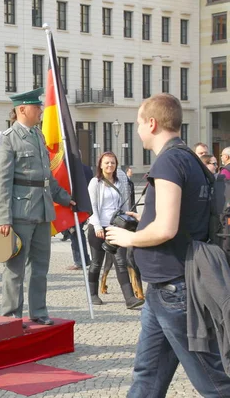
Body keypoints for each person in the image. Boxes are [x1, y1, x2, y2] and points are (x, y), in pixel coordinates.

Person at [106, 93, 230, 397]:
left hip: (174, 288)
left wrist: (130, 237)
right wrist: (142, 218)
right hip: (165, 288)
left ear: (152, 123)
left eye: (138, 123)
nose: (137, 130)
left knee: (214, 384)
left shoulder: (169, 162)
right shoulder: (189, 157)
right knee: (147, 375)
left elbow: (167, 227)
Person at [0, 88, 74, 326]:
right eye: (36, 107)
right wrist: (3, 218)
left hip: (42, 210)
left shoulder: (38, 135)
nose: (40, 110)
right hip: (19, 213)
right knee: (15, 269)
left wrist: (65, 198)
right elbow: (1, 182)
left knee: (40, 267)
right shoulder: (7, 138)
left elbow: (46, 176)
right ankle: (11, 316)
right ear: (22, 109)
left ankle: (38, 311)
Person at [86, 152, 143, 309]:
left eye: (112, 163)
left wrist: (127, 221)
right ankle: (93, 294)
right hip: (98, 227)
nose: (110, 166)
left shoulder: (120, 182)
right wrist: (97, 226)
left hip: (115, 227)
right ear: (100, 165)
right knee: (97, 263)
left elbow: (124, 205)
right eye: (107, 163)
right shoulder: (95, 183)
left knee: (120, 262)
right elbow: (93, 207)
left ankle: (130, 298)